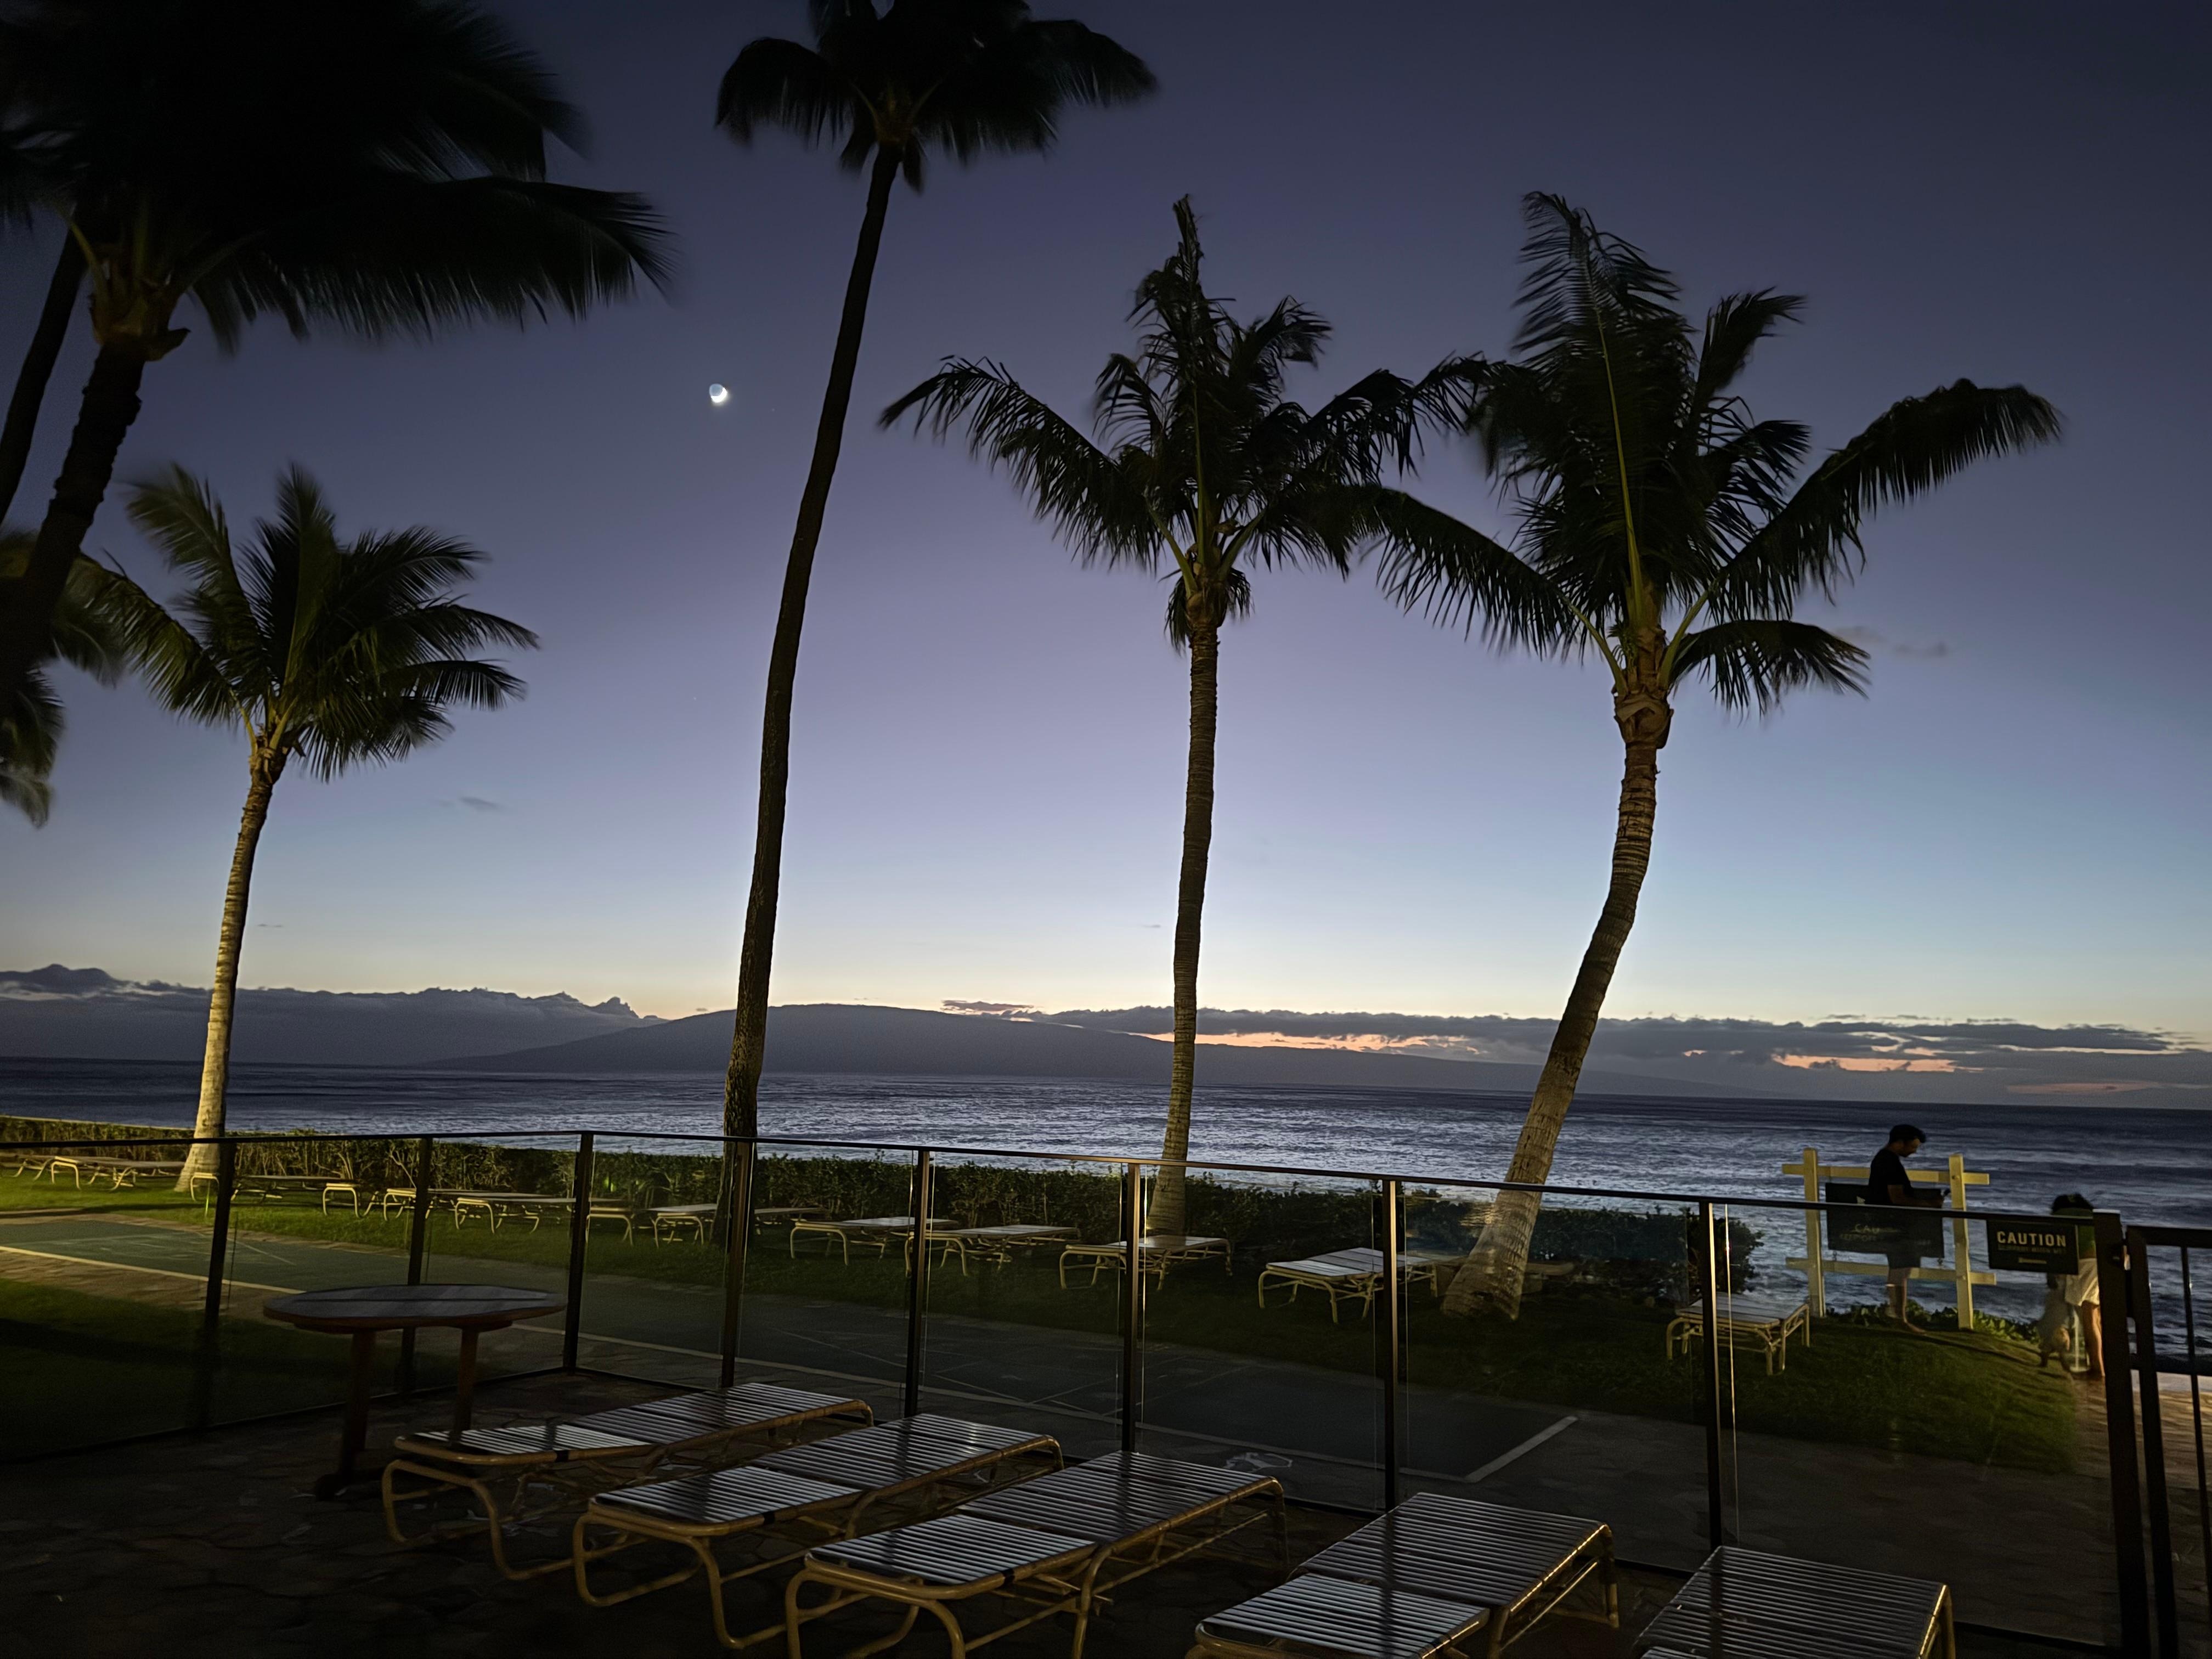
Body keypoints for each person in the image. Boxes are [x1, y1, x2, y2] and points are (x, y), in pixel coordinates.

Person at [1867, 1124, 1937, 1326]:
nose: (1914, 1152)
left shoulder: (1883, 1159)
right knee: (1900, 1269)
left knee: (1900, 1268)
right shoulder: (1890, 1163)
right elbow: (1897, 1197)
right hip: (1894, 1223)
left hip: (1887, 1221)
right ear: (1900, 1143)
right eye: (1912, 1147)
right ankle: (1898, 1315)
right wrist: (1929, 1205)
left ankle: (1896, 1313)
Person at [2038, 1193, 2103, 1379]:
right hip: (2102, 1261)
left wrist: (2053, 1274)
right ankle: (2102, 1364)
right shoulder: (2092, 1216)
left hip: (2085, 1264)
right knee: (2096, 1318)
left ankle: (2098, 1370)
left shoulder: (2059, 1218)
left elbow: (2056, 1248)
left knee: (2090, 1319)